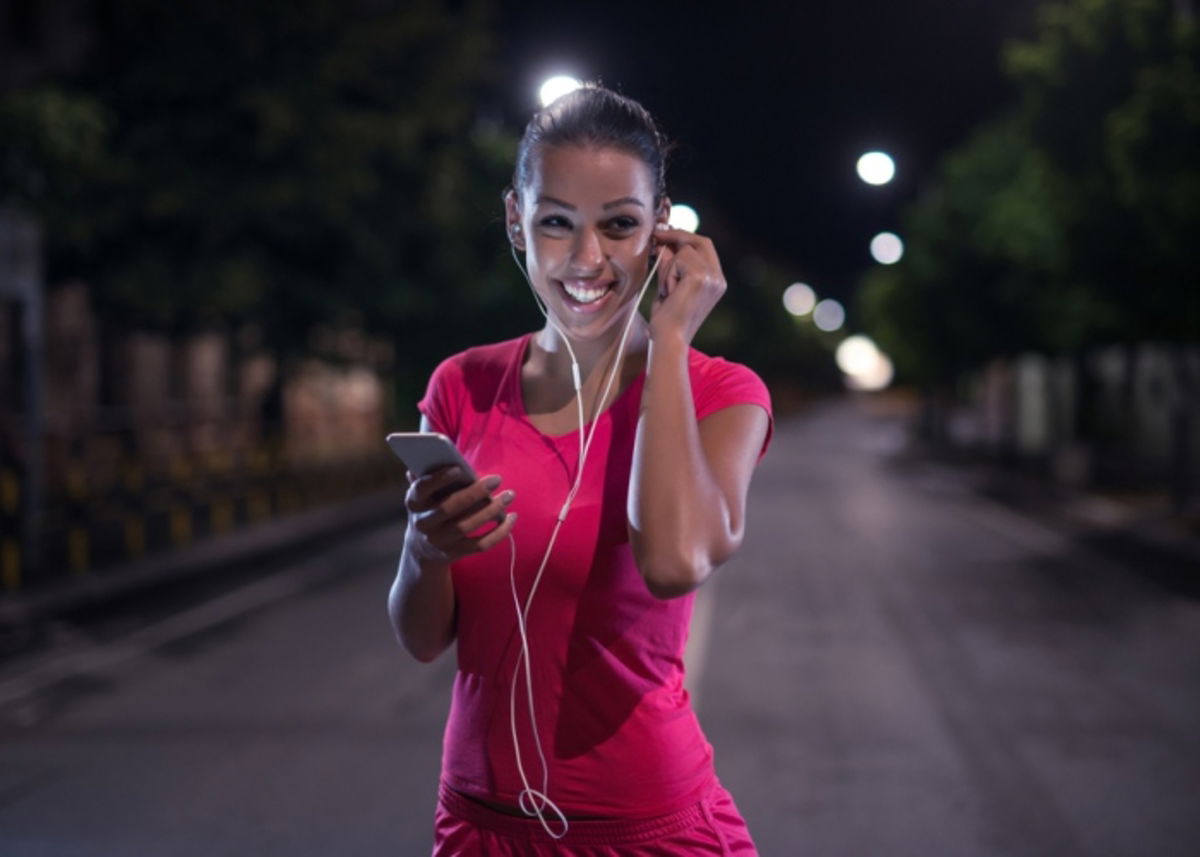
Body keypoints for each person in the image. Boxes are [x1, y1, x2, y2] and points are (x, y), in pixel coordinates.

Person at [388, 84, 773, 856]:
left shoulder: (722, 394)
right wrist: (425, 548)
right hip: (478, 825)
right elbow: (425, 638)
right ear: (515, 220)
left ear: (661, 229)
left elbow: (673, 561)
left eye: (619, 225)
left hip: (645, 829)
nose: (587, 259)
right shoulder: (461, 385)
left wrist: (669, 341)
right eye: (556, 222)